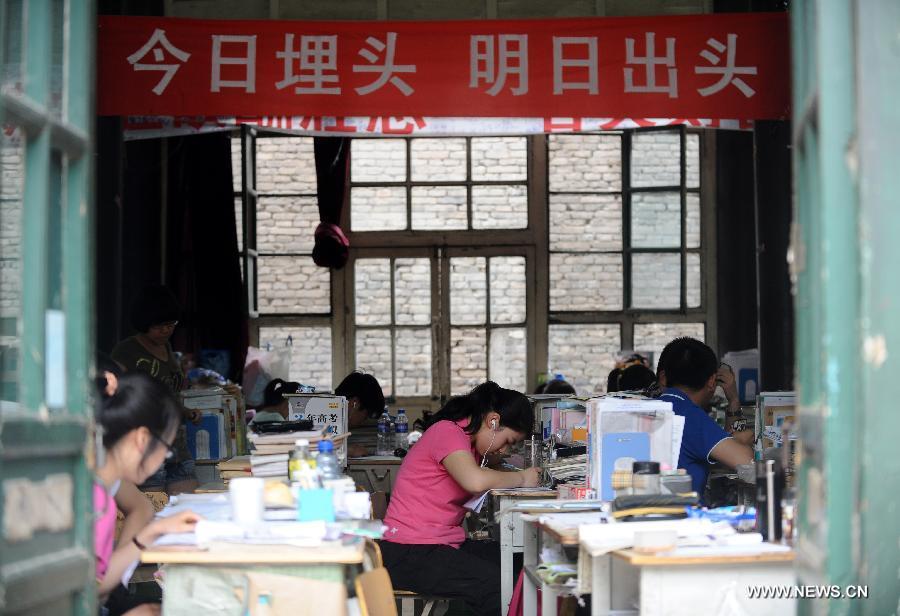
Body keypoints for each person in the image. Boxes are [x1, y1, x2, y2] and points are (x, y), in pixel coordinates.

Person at [378, 382, 541, 616]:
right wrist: (524, 478)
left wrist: (499, 458)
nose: (506, 451)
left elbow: (491, 468)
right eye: (508, 442)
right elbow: (474, 481)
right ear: (493, 421)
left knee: (520, 562)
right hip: (409, 551)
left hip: (439, 544)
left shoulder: (468, 444)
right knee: (497, 585)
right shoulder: (447, 432)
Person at [94, 370, 201, 615]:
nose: (164, 457)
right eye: (166, 449)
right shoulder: (94, 497)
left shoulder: (103, 480)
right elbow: (90, 589)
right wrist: (151, 534)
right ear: (142, 439)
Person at [111, 285, 199, 494]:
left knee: (188, 507)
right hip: (147, 448)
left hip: (177, 445)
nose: (166, 331)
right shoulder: (126, 351)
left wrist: (185, 412)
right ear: (144, 323)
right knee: (154, 512)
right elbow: (118, 397)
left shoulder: (166, 347)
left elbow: (168, 394)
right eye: (159, 326)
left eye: (171, 325)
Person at [657, 338, 753, 498]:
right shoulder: (689, 415)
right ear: (711, 382)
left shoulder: (652, 408)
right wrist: (734, 398)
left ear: (663, 377)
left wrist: (733, 402)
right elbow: (746, 462)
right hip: (682, 516)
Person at [335, 371, 385, 457]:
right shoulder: (322, 418)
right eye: (366, 415)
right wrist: (347, 451)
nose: (364, 421)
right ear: (354, 403)